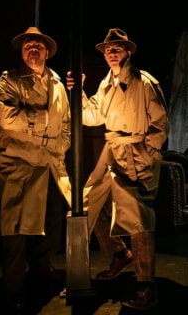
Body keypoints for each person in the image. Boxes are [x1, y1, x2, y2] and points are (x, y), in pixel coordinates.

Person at [66, 28, 168, 310]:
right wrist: (77, 93)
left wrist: (148, 155)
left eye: (117, 48)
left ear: (128, 52)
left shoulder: (144, 82)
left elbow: (160, 124)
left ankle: (147, 286)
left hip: (136, 154)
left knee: (139, 218)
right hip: (111, 150)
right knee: (87, 203)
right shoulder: (106, 83)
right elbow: (92, 116)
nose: (112, 52)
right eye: (108, 49)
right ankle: (121, 254)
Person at [0, 27, 72, 312]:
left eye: (39, 44)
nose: (34, 48)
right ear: (21, 51)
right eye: (28, 45)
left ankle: (43, 267)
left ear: (47, 52)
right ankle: (12, 288)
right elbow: (8, 118)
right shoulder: (10, 80)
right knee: (14, 227)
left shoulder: (57, 83)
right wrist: (42, 128)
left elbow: (64, 124)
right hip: (18, 163)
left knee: (52, 219)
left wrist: (57, 145)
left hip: (49, 162)